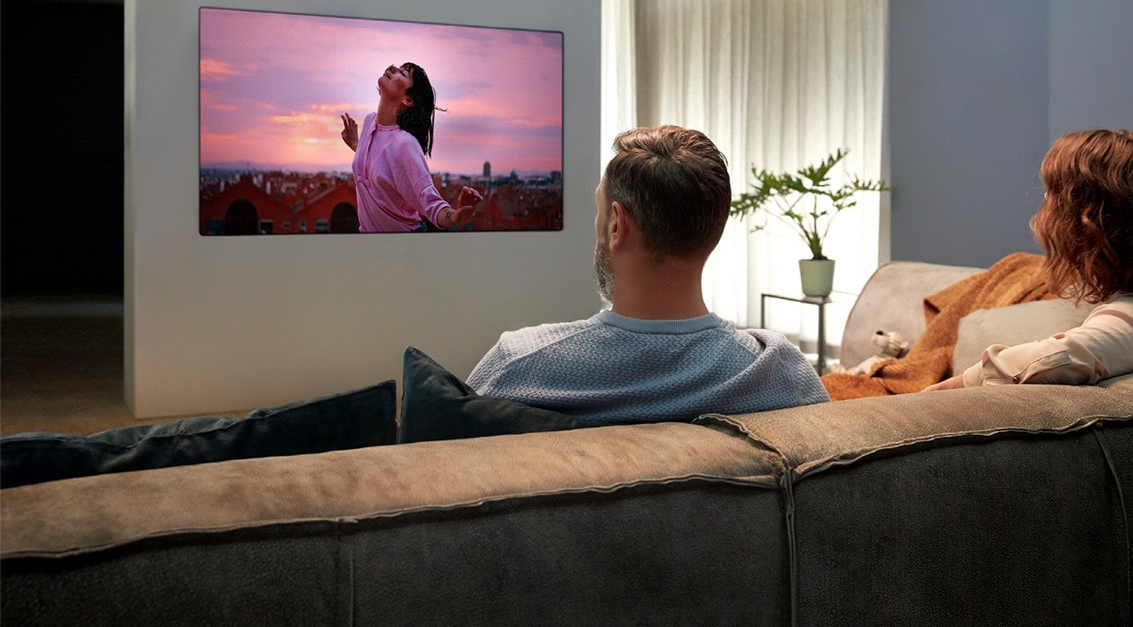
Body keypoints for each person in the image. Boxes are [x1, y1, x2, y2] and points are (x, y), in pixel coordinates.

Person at [465, 125, 830, 425]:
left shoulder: (517, 368)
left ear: (616, 226)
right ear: (713, 230)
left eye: (599, 208)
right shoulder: (782, 376)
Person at [924, 129, 1133, 390]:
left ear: (1091, 224)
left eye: (1052, 196)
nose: (1044, 208)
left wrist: (954, 386)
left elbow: (1061, 357)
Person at [340, 63, 481, 232]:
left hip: (406, 245)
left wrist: (456, 217)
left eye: (403, 73)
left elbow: (429, 199)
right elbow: (381, 163)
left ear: (408, 100)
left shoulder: (405, 144)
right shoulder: (369, 122)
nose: (392, 68)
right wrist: (357, 145)